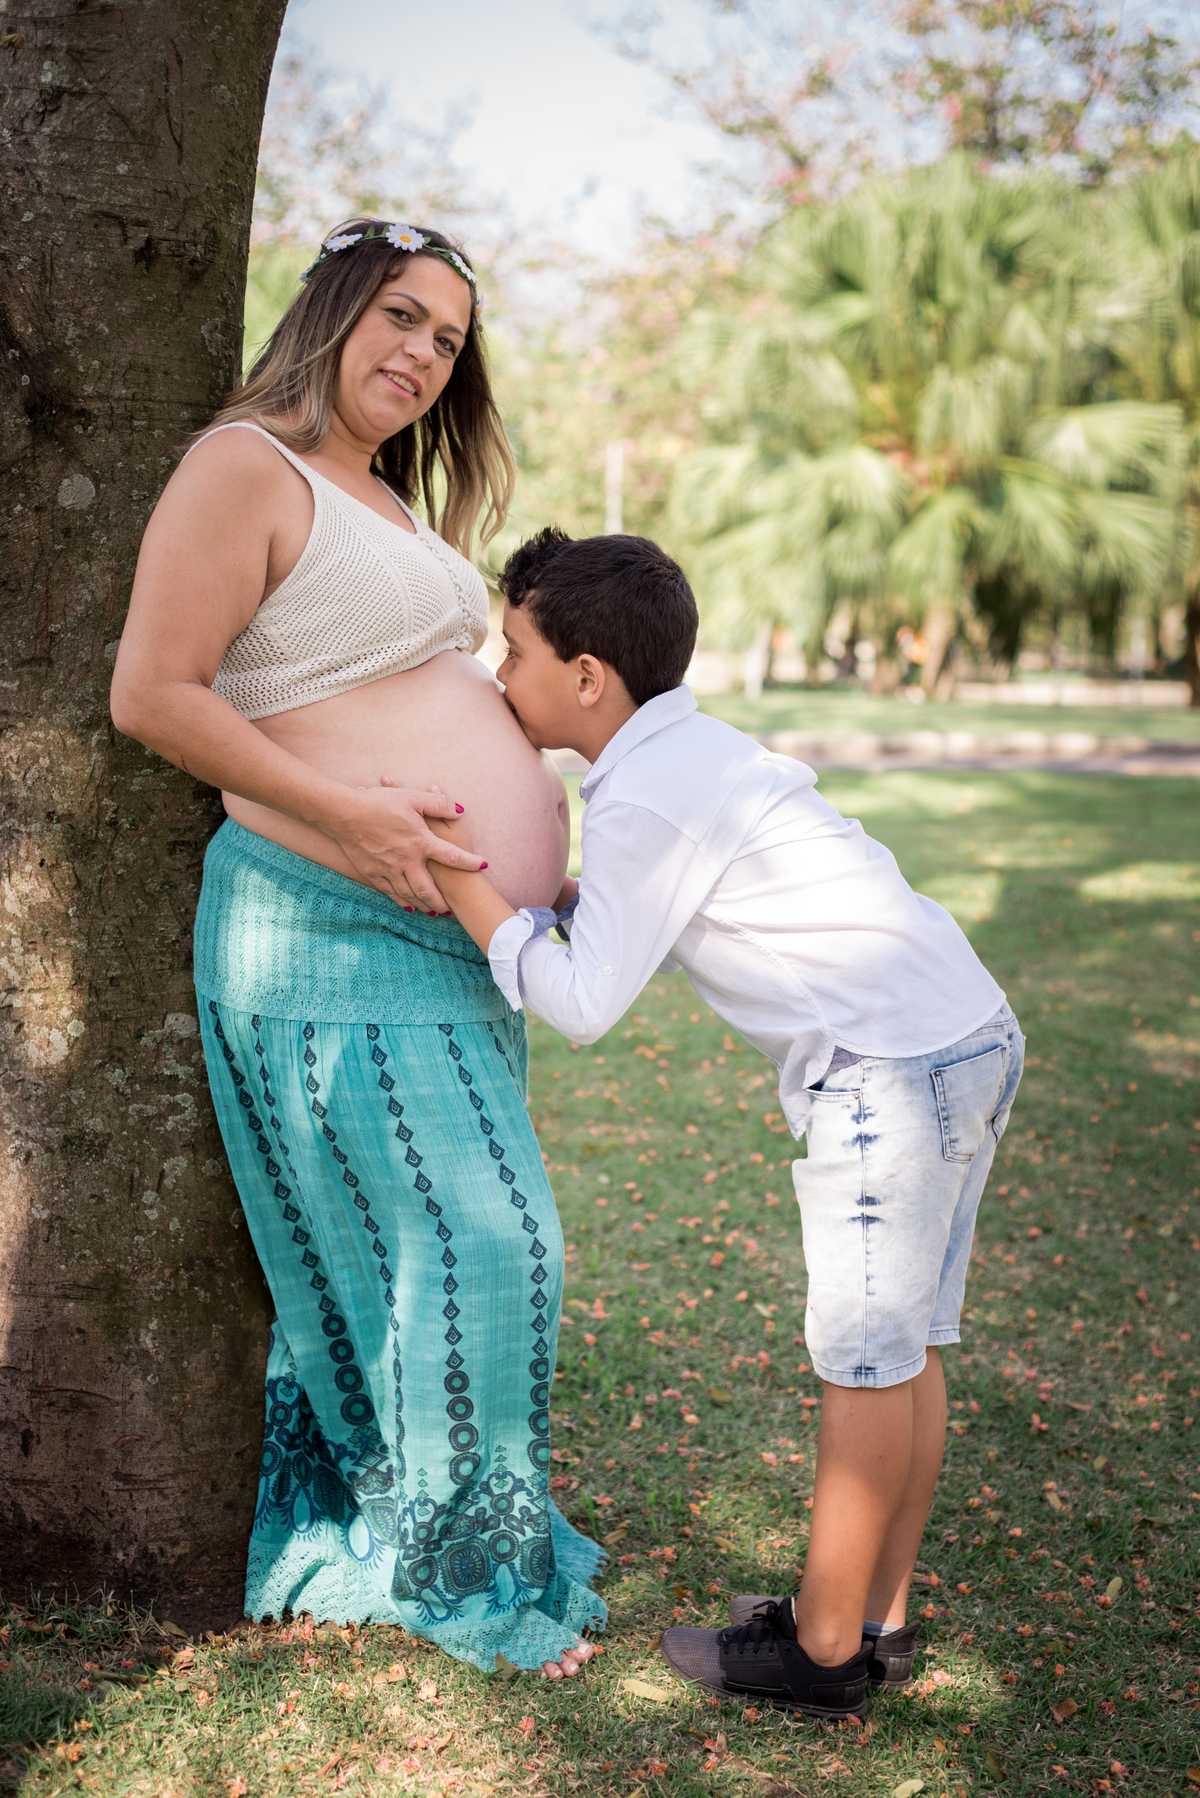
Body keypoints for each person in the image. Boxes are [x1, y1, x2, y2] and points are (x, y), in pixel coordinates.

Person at [109, 226, 605, 1677]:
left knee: (458, 1243)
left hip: (444, 935)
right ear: (331, 307)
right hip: (325, 917)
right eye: (400, 315)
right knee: (490, 1240)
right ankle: (458, 1566)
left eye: (448, 340)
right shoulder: (242, 467)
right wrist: (360, 820)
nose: (421, 353)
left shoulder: (379, 496)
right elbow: (154, 689)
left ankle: (463, 1526)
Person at [422, 527, 1025, 1717]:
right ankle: (873, 1621)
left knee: (864, 1357)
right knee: (906, 1349)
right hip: (965, 1030)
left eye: (516, 651)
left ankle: (817, 1651)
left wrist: (458, 881)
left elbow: (584, 1005)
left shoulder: (641, 787)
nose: (503, 677)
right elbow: (659, 917)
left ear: (588, 677)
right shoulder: (688, 752)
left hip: (891, 1069)